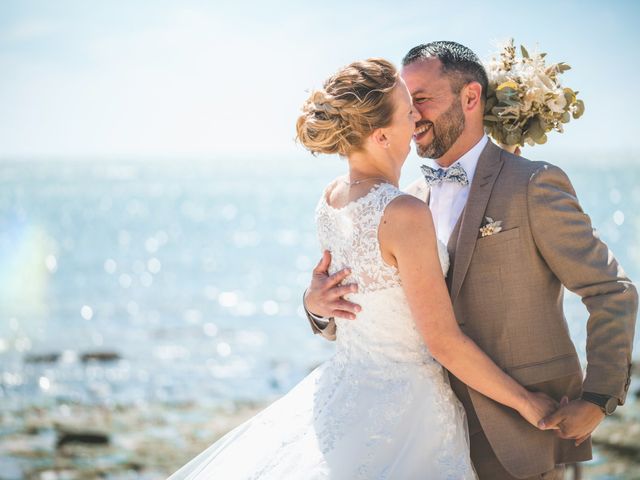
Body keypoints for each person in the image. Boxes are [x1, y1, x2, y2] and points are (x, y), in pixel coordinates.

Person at [168, 58, 558, 480]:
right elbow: (443, 342)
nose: (417, 118)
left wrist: (313, 304)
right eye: (408, 110)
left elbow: (352, 301)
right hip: (407, 413)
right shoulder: (404, 213)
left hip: (342, 393)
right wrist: (526, 403)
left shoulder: (332, 198)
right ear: (381, 134)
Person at [303, 42, 638, 479]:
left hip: (519, 435)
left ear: (471, 97)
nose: (414, 114)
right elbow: (367, 306)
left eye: (421, 99)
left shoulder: (531, 185)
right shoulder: (404, 204)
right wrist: (315, 307)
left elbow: (610, 290)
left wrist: (598, 398)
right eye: (407, 101)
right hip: (419, 433)